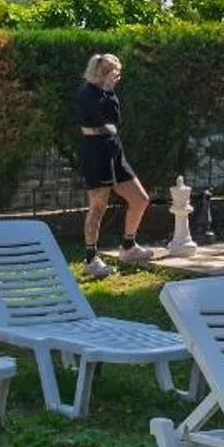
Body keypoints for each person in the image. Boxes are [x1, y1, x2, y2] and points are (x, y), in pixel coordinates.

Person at [75, 53, 156, 278]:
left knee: (140, 199)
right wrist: (108, 91)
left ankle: (128, 247)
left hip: (114, 149)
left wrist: (110, 92)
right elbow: (103, 117)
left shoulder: (106, 93)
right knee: (98, 206)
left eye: (115, 71)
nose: (113, 75)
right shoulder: (88, 93)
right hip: (95, 151)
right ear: (99, 71)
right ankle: (91, 259)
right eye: (110, 71)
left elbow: (115, 118)